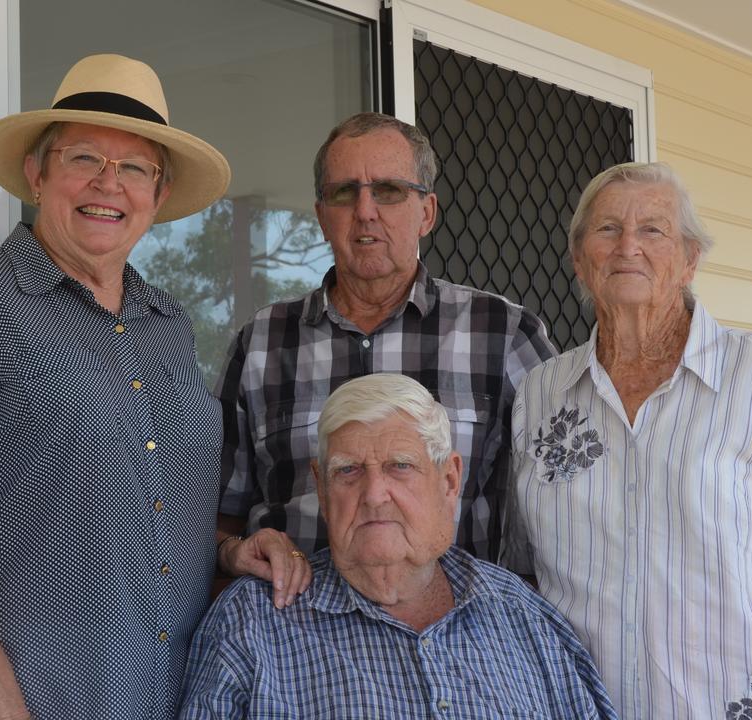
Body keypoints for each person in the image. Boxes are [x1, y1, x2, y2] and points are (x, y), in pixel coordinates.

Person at [0, 54, 240, 719]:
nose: (108, 183)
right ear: (38, 173)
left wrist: (234, 548)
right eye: (84, 158)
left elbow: (158, 505)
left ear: (158, 194)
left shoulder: (170, 326)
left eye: (134, 168)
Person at [503, 161, 752, 720]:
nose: (627, 245)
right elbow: (528, 569)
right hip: (593, 704)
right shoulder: (540, 393)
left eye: (653, 230)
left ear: (688, 261)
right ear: (580, 261)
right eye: (607, 229)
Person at [215, 112, 556, 603]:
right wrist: (234, 551)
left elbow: (562, 506)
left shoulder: (502, 335)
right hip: (294, 641)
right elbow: (213, 515)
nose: (366, 210)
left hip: (457, 642)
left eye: (390, 190)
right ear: (321, 213)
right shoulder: (262, 343)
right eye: (344, 192)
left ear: (427, 212)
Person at [181, 373, 618, 719]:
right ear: (321, 487)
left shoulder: (522, 617)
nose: (374, 494)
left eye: (400, 467)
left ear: (449, 482)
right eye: (348, 470)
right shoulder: (252, 623)